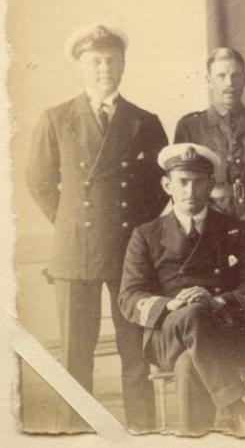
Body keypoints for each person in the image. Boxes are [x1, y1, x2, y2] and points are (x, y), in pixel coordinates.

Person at [26, 24, 167, 431]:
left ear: (123, 65)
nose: (104, 68)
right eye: (95, 61)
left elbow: (158, 189)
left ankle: (142, 429)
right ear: (81, 68)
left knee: (134, 350)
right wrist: (71, 224)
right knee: (75, 353)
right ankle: (76, 430)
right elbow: (39, 181)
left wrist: (135, 234)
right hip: (74, 253)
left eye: (111, 60)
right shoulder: (56, 119)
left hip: (128, 251)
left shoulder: (145, 121)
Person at [173, 47, 245, 429]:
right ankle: (220, 416)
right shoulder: (190, 126)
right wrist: (221, 221)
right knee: (211, 311)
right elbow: (185, 185)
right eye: (221, 76)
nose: (229, 83)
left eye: (236, 75)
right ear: (208, 79)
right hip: (210, 239)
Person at [118, 143, 245, 435]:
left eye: (198, 182)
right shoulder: (146, 235)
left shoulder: (236, 230)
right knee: (192, 313)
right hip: (167, 334)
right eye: (182, 182)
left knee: (188, 363)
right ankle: (238, 409)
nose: (190, 190)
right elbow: (129, 295)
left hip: (225, 332)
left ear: (210, 184)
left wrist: (218, 301)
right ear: (167, 185)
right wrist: (172, 306)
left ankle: (193, 437)